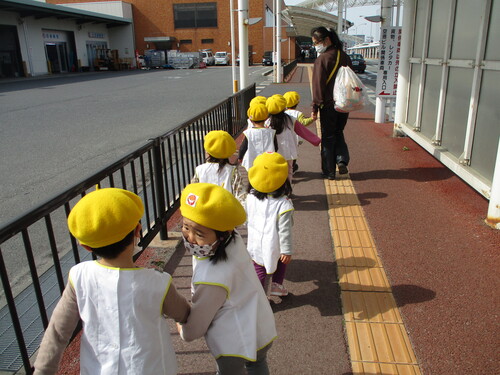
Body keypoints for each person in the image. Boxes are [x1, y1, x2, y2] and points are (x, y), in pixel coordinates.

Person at [33, 187, 190, 375]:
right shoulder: (157, 282)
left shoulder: (79, 277)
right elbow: (183, 313)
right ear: (138, 231)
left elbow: (57, 333)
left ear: (87, 246)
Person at [177, 183, 277, 375]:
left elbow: (194, 329)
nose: (190, 237)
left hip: (233, 346)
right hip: (260, 325)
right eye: (185, 227)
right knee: (258, 363)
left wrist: (182, 328)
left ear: (222, 235)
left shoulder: (213, 278)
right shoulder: (233, 240)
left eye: (199, 234)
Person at [245, 152, 294, 297]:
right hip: (275, 242)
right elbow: (285, 231)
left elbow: (245, 217)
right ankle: (274, 287)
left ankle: (262, 295)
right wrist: (287, 250)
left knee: (259, 267)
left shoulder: (251, 198)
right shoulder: (284, 205)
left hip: (255, 242)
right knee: (281, 260)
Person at [310, 26, 353, 180]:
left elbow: (318, 86)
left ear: (326, 40)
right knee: (338, 132)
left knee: (328, 137)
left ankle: (329, 171)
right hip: (344, 104)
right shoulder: (345, 56)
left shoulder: (322, 59)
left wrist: (315, 106)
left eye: (316, 42)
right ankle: (341, 160)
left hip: (328, 105)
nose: (316, 46)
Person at [192, 130, 245, 201]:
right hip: (227, 209)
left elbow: (192, 192)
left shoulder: (199, 170)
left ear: (208, 152)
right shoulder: (233, 171)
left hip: (205, 210)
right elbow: (241, 196)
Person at [283, 91, 320, 173]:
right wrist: (312, 119)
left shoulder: (283, 113)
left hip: (284, 137)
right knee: (293, 153)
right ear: (297, 103)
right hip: (295, 138)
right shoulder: (298, 114)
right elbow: (303, 123)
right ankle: (292, 167)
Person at [266, 94, 298, 182]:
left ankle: (278, 192)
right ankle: (288, 190)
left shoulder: (267, 123)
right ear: (284, 107)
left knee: (276, 172)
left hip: (273, 152)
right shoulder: (290, 119)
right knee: (289, 171)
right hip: (289, 151)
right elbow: (302, 131)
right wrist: (316, 140)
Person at [238, 103, 278, 171]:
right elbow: (276, 147)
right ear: (266, 118)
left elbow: (243, 147)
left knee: (253, 178)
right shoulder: (272, 132)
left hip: (252, 161)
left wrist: (240, 157)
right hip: (268, 161)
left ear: (250, 120)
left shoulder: (248, 133)